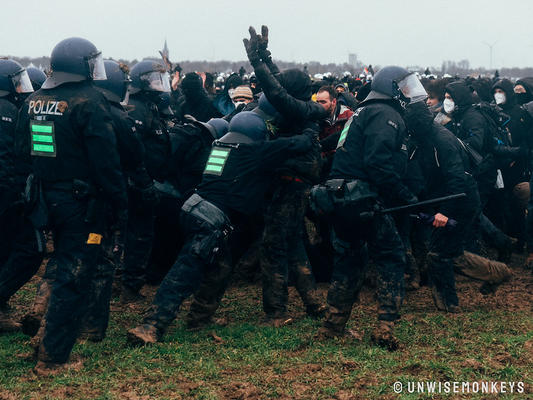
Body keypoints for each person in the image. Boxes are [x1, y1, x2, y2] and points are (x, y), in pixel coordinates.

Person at [127, 111, 316, 345]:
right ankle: (152, 326)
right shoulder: (253, 151)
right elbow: (295, 144)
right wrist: (310, 130)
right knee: (184, 273)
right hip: (210, 220)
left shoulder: (220, 148)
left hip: (192, 209)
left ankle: (199, 317)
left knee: (221, 266)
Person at [16, 37, 128, 375]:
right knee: (74, 277)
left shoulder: (34, 100)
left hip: (47, 199)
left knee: (62, 267)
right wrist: (120, 206)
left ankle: (43, 342)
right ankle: (53, 360)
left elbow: (24, 153)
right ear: (83, 64)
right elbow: (106, 164)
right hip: (83, 204)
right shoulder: (90, 102)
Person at [313, 66, 422, 350]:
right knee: (391, 257)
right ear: (392, 88)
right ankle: (385, 329)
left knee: (349, 260)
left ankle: (331, 327)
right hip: (362, 198)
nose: (410, 92)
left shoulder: (362, 112)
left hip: (341, 197)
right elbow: (378, 164)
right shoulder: (387, 115)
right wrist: (405, 196)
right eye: (405, 86)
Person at [244, 25, 327, 325]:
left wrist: (256, 63)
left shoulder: (300, 110)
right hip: (294, 185)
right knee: (293, 245)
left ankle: (276, 312)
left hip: (290, 186)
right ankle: (314, 304)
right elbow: (280, 83)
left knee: (273, 247)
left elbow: (277, 91)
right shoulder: (303, 106)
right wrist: (265, 55)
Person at [119, 60, 172, 303]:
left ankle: (128, 281)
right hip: (138, 183)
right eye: (153, 78)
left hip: (144, 180)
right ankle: (129, 286)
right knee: (138, 235)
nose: (158, 84)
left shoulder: (147, 106)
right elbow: (133, 151)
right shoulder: (136, 109)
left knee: (137, 233)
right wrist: (143, 182)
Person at [0, 59, 42, 332]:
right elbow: (8, 158)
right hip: (7, 195)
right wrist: (17, 194)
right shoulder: (7, 111)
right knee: (31, 249)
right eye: (17, 80)